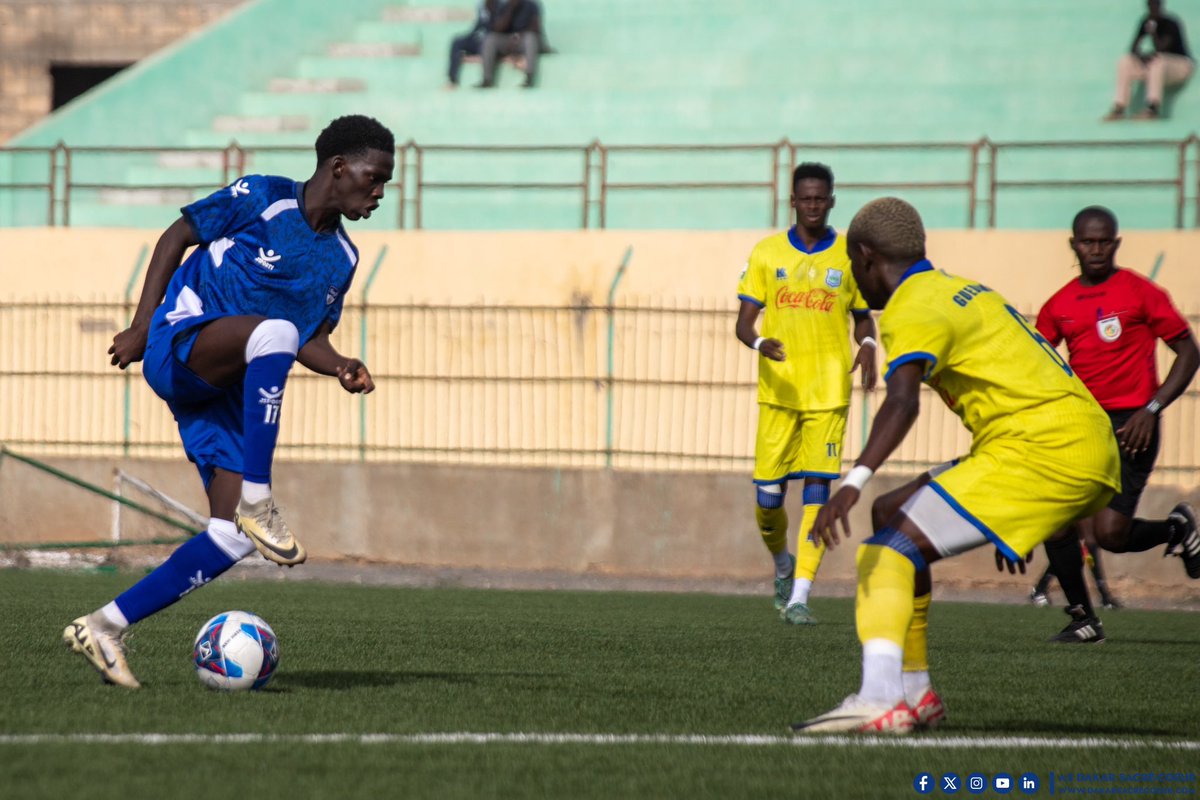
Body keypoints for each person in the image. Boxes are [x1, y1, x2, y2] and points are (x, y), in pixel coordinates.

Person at [62, 115, 395, 689]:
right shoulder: (262, 196)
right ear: (339, 168)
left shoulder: (341, 258)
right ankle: (260, 501)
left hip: (223, 388)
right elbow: (177, 235)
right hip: (181, 341)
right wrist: (142, 326)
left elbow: (305, 336)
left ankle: (104, 626)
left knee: (231, 536)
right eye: (374, 177)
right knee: (274, 335)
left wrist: (338, 363)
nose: (380, 192)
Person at [791, 197, 1120, 734]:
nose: (855, 280)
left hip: (1042, 448)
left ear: (866, 257)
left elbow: (902, 402)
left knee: (883, 553)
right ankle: (917, 694)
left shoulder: (910, 306)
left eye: (854, 268)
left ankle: (879, 698)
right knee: (892, 512)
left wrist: (850, 482)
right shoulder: (964, 289)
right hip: (1073, 438)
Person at [1030, 205, 1199, 643]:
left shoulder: (1142, 292)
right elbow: (1036, 367)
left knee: (1111, 535)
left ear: (1116, 243)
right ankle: (1083, 618)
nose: (1097, 249)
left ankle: (1176, 529)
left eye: (1105, 241)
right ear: (1074, 245)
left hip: (1134, 424)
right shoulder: (1058, 305)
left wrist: (1153, 408)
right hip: (1083, 426)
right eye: (1088, 241)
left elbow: (1189, 352)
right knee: (1056, 520)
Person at [735, 163, 877, 626]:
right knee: (769, 500)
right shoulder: (766, 253)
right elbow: (743, 323)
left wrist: (870, 344)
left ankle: (799, 596)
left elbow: (861, 317)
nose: (813, 206)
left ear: (832, 200)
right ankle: (781, 564)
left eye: (821, 198)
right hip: (779, 395)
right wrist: (759, 343)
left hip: (829, 395)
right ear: (792, 201)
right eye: (805, 198)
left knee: (817, 489)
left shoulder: (849, 257)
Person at [1105, 0, 1194, 120]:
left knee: (1157, 61)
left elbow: (1161, 48)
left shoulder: (1171, 23)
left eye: (1155, 4)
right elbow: (1133, 48)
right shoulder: (1145, 22)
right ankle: (1119, 108)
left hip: (1181, 66)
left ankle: (1152, 109)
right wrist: (1141, 56)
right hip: (1159, 64)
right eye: (1150, 5)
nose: (1153, 8)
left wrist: (1152, 33)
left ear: (1160, 5)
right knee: (1125, 61)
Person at [477, 0, 541, 88]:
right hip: (507, 40)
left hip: (523, 39)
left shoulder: (531, 5)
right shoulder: (502, 5)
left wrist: (519, 36)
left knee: (530, 38)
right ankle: (487, 80)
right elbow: (497, 29)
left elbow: (536, 28)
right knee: (490, 39)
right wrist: (511, 9)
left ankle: (529, 78)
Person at [445, 1, 492, 89]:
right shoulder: (480, 4)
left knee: (489, 43)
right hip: (479, 37)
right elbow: (479, 24)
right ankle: (452, 80)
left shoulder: (503, 3)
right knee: (457, 42)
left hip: (491, 39)